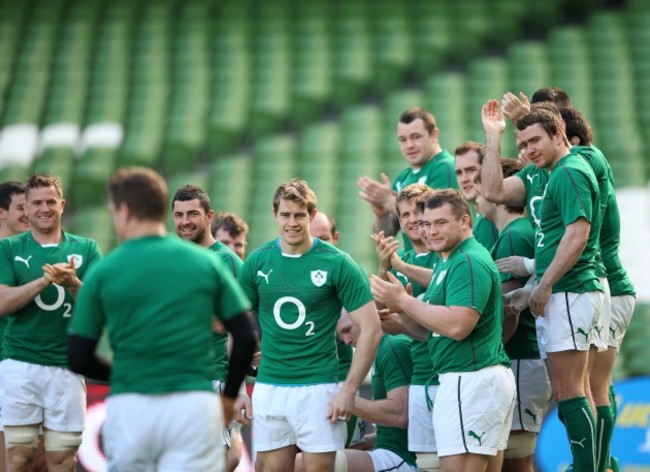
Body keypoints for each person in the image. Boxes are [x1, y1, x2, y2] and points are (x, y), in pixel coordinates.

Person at [68, 167, 256, 471]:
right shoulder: (205, 263)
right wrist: (229, 397)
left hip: (134, 400)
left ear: (125, 210)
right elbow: (246, 337)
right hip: (193, 400)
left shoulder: (107, 269)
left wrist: (128, 372)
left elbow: (78, 356)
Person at [481, 102, 604, 471]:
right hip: (570, 289)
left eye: (535, 140)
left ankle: (588, 468)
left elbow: (578, 233)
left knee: (570, 392)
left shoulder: (569, 171)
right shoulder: (548, 172)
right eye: (522, 145)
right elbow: (492, 190)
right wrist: (493, 137)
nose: (528, 150)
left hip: (572, 288)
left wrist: (543, 283)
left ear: (559, 135)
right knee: (574, 392)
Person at [237, 179, 382, 472]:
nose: (292, 222)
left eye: (299, 215)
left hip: (319, 389)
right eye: (285, 215)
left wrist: (348, 390)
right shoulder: (257, 262)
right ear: (275, 215)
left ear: (311, 215)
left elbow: (372, 328)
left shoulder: (338, 263)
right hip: (270, 388)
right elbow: (235, 327)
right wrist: (239, 386)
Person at [371, 189, 515, 472]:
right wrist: (404, 312)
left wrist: (403, 300)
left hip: (470, 379)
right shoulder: (451, 261)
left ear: (465, 222)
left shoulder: (468, 261)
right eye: (427, 223)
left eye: (441, 223)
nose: (431, 231)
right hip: (472, 380)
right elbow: (434, 332)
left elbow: (458, 325)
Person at [0, 174, 102, 472]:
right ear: (27, 208)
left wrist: (73, 285)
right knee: (18, 459)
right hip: (19, 365)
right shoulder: (9, 249)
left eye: (50, 202)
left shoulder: (87, 248)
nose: (44, 208)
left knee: (62, 461)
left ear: (62, 205)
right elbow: (2, 303)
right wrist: (44, 281)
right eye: (37, 203)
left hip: (66, 369)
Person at [559, 107, 636, 472]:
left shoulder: (582, 161)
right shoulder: (588, 162)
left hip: (603, 283)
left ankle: (599, 465)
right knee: (595, 385)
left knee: (590, 386)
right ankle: (604, 463)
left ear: (568, 139)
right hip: (612, 284)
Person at [475, 161, 552, 472]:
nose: (478, 195)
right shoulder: (508, 232)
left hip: (521, 357)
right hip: (522, 360)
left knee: (517, 461)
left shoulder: (514, 234)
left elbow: (505, 308)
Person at [172, 184, 251, 472]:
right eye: (179, 215)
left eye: (193, 213)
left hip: (211, 379)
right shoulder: (170, 258)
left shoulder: (227, 261)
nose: (185, 221)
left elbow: (239, 327)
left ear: (209, 216)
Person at [372, 184, 440, 471]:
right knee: (426, 464)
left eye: (417, 212)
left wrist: (398, 263)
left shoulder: (444, 253)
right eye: (404, 215)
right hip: (418, 373)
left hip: (446, 373)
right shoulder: (400, 263)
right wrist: (383, 267)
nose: (411, 220)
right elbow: (379, 315)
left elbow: (444, 279)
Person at [357, 108, 457, 251]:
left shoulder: (446, 167)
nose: (409, 145)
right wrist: (381, 213)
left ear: (434, 134)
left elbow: (438, 218)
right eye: (403, 140)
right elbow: (386, 234)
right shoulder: (403, 177)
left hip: (437, 262)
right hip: (415, 261)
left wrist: (389, 201)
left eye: (416, 137)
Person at [333, 310, 418, 471]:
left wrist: (342, 398)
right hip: (388, 453)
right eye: (341, 336)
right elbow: (403, 429)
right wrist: (366, 442)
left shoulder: (392, 347)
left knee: (302, 464)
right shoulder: (383, 347)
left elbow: (401, 414)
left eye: (347, 330)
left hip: (401, 460)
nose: (346, 340)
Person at [454, 141, 499, 250]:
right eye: (459, 173)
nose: (464, 179)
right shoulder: (478, 217)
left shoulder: (489, 219)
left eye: (471, 170)